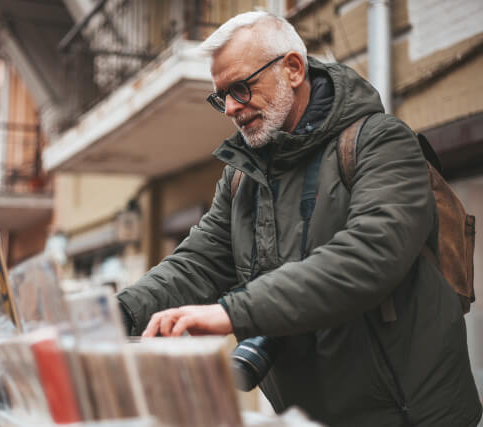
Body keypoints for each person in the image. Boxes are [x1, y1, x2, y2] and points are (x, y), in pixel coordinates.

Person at [116, 11, 482, 427]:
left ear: (292, 69)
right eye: (222, 96)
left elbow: (369, 256)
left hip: (412, 418)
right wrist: (116, 314)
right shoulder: (241, 175)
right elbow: (196, 264)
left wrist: (231, 313)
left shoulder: (382, 140)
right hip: (304, 418)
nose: (231, 108)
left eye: (241, 87)